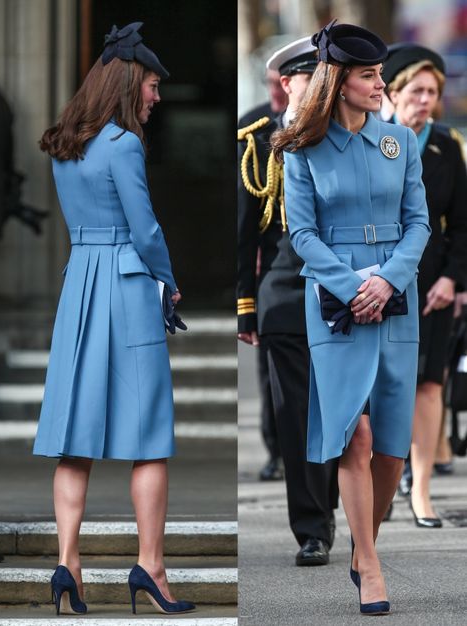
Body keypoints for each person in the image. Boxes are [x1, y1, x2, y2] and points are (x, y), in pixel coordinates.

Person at [33, 22, 194, 616]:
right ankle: (150, 566)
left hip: (80, 285)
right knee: (149, 437)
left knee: (74, 439)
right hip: (127, 288)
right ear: (130, 83)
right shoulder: (124, 144)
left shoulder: (66, 143)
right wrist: (171, 282)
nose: (156, 96)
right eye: (152, 85)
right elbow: (145, 227)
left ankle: (67, 563)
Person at [273, 20, 430, 614]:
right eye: (368, 75)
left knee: (391, 448)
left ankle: (368, 545)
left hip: (395, 295)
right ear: (339, 83)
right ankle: (370, 565)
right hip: (334, 303)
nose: (379, 84)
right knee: (354, 436)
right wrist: (351, 284)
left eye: (379, 75)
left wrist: (386, 278)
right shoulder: (301, 149)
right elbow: (302, 234)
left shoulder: (400, 143)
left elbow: (419, 224)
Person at [238, 37, 339, 566]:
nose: (321, 87)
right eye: (309, 78)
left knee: (346, 416)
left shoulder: (352, 134)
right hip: (286, 289)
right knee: (296, 417)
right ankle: (313, 528)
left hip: (347, 291)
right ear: (288, 84)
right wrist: (245, 303)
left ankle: (335, 501)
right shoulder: (261, 139)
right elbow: (246, 232)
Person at [382, 44, 467, 526]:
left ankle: (422, 493)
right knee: (384, 388)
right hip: (379, 282)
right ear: (393, 93)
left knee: (429, 384)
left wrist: (453, 279)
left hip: (432, 282)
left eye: (433, 92)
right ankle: (385, 483)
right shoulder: (373, 140)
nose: (426, 100)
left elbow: (462, 224)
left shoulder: (445, 145)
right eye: (417, 90)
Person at [239, 63, 288, 482]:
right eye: (270, 85)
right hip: (270, 265)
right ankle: (276, 450)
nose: (275, 94)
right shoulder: (251, 128)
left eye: (282, 85)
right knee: (270, 372)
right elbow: (245, 214)